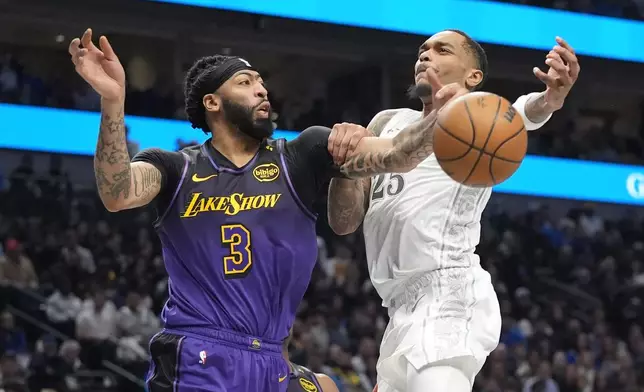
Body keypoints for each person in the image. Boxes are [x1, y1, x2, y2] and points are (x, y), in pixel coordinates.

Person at [68, 28, 454, 392]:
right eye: (246, 82)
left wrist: (439, 118)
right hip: (199, 354)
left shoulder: (302, 154)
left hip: (271, 358)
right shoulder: (176, 168)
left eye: (261, 82)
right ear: (212, 102)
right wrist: (113, 101)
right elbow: (117, 192)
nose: (261, 89)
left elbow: (396, 155)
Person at [326, 29, 580, 392]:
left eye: (442, 50)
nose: (425, 56)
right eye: (422, 50)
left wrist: (551, 98)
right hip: (397, 310)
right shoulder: (386, 122)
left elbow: (521, 113)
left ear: (473, 77)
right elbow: (344, 222)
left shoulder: (476, 121)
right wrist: (342, 162)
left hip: (446, 294)